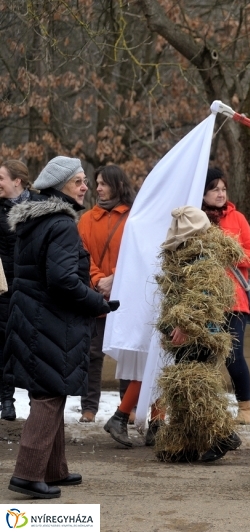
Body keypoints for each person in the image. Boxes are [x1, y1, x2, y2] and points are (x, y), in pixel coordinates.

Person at [5, 156, 114, 499]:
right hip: (51, 321)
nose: (86, 187)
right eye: (79, 181)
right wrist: (97, 303)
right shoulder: (62, 224)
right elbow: (63, 281)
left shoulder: (33, 220)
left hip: (31, 316)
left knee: (50, 387)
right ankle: (27, 473)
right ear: (59, 186)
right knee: (49, 395)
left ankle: (53, 469)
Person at [153, 206, 243, 462]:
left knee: (194, 385)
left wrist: (184, 325)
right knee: (183, 390)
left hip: (200, 335)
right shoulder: (188, 259)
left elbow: (202, 298)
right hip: (188, 333)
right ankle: (184, 443)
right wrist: (169, 327)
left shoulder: (202, 260)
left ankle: (223, 434)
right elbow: (176, 298)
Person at [201, 167, 250, 424]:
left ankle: (245, 407)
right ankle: (204, 405)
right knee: (203, 354)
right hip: (202, 300)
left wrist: (234, 255)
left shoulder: (237, 218)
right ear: (202, 192)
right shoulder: (194, 218)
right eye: (214, 188)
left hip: (234, 301)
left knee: (233, 354)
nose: (220, 193)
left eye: (223, 188)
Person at [76, 165, 136, 423]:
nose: (97, 188)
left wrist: (116, 281)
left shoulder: (135, 217)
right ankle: (89, 408)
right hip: (95, 295)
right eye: (96, 183)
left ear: (117, 185)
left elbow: (137, 255)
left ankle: (127, 408)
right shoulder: (87, 219)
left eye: (102, 183)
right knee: (92, 353)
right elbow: (82, 254)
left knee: (127, 351)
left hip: (126, 296)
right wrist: (101, 280)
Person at [0, 160, 40, 421]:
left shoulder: (39, 207)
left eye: (1, 178)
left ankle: (39, 405)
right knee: (4, 343)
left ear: (17, 181)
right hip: (4, 289)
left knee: (33, 345)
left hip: (33, 288)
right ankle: (6, 401)